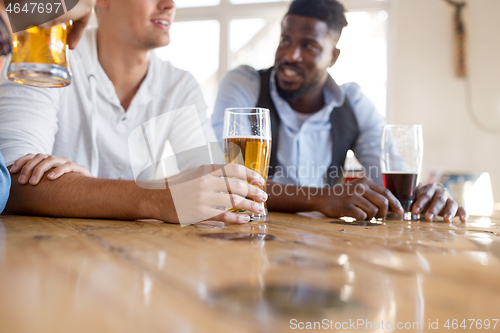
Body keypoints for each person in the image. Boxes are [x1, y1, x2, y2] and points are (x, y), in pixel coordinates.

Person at [0, 0, 267, 224]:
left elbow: (213, 191)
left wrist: (82, 188)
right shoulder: (44, 55)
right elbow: (13, 185)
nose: (169, 4)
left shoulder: (179, 84)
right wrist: (157, 198)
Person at [212, 0, 467, 222]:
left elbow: (389, 178)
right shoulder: (245, 84)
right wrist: (321, 199)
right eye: (285, 41)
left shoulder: (353, 103)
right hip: (252, 234)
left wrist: (424, 194)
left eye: (309, 46)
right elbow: (221, 175)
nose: (291, 55)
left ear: (333, 57)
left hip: (324, 250)